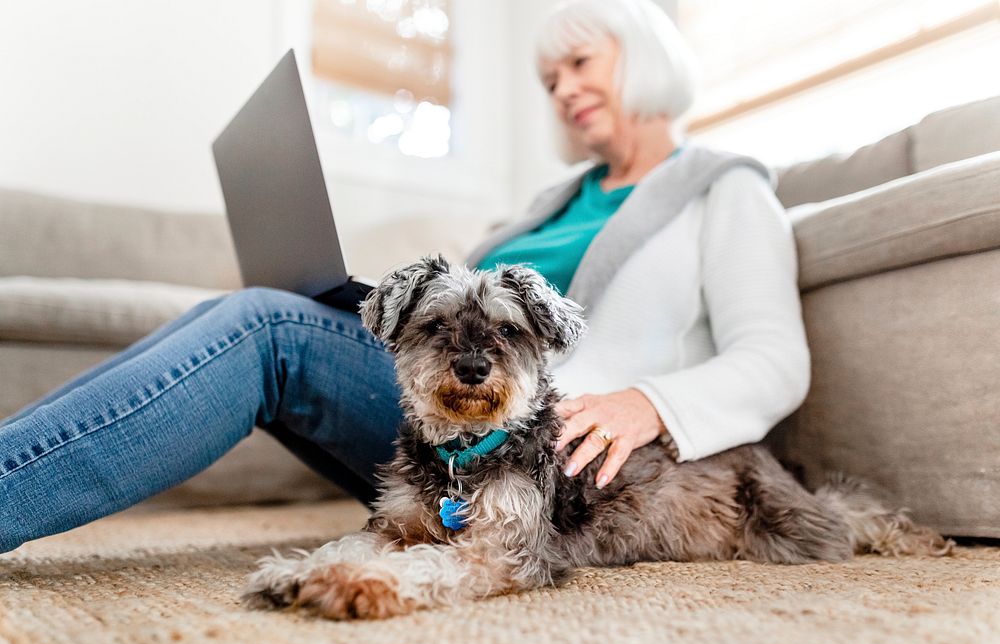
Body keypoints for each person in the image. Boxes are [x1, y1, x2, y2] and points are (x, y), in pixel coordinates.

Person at [0, 0, 809, 554]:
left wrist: (649, 404)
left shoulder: (724, 187)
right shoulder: (549, 202)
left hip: (554, 444)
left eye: (579, 62)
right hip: (443, 425)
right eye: (549, 79)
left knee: (264, 327)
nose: (562, 89)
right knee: (256, 310)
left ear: (644, 53)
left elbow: (776, 358)